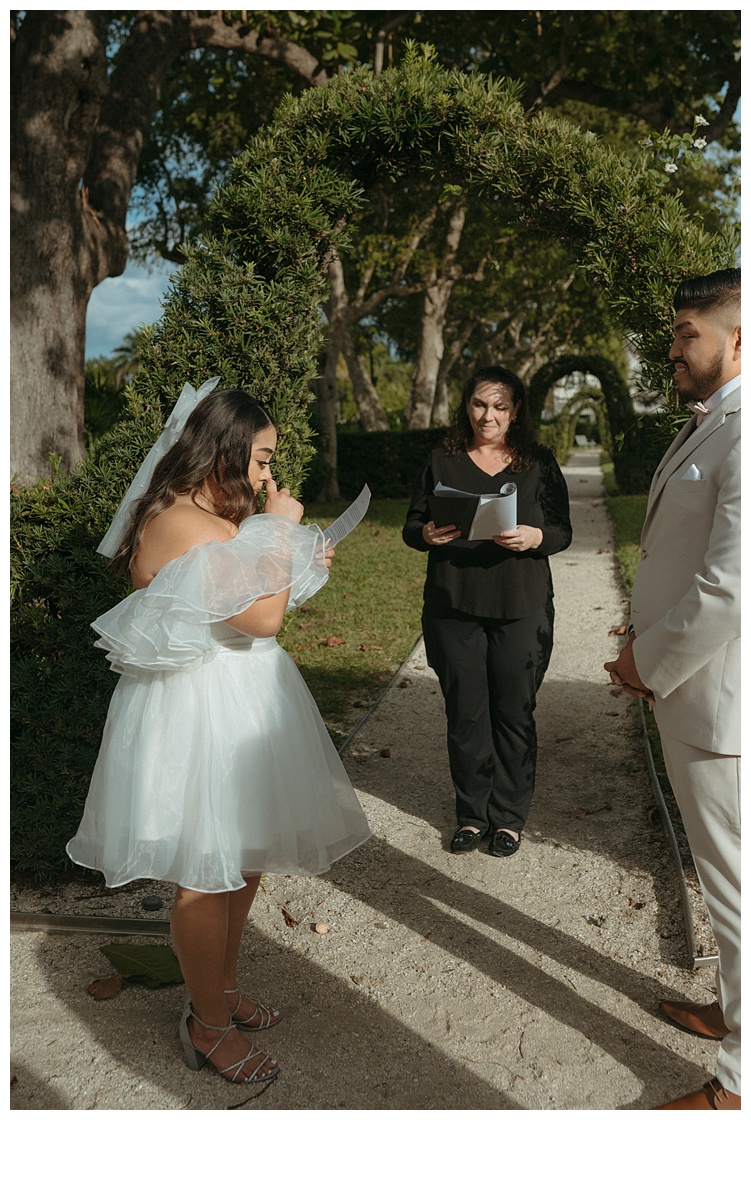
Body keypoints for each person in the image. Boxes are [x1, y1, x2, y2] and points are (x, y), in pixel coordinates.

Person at [67, 385, 371, 1086]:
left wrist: (296, 561)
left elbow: (251, 604)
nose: (267, 473)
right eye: (261, 457)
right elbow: (260, 619)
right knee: (205, 874)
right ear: (227, 448)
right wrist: (276, 527)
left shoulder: (213, 514)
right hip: (198, 710)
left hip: (243, 700)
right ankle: (205, 1023)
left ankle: (222, 990)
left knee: (244, 856)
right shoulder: (179, 518)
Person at [604, 268, 741, 1111]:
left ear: (738, 334)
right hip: (689, 693)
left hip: (717, 701)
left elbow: (730, 589)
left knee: (736, 888)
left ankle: (734, 1091)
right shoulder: (715, 422)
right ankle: (732, 1010)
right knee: (725, 877)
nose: (672, 346)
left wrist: (642, 665)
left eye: (687, 331)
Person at [402, 366, 572, 858]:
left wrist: (535, 537)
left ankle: (509, 818)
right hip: (454, 605)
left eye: (500, 406)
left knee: (513, 712)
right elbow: (413, 523)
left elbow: (562, 531)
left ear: (515, 410)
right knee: (466, 713)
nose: (488, 416)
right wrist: (426, 534)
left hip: (521, 606)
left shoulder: (538, 463)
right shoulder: (442, 459)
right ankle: (473, 815)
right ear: (467, 407)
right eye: (480, 405)